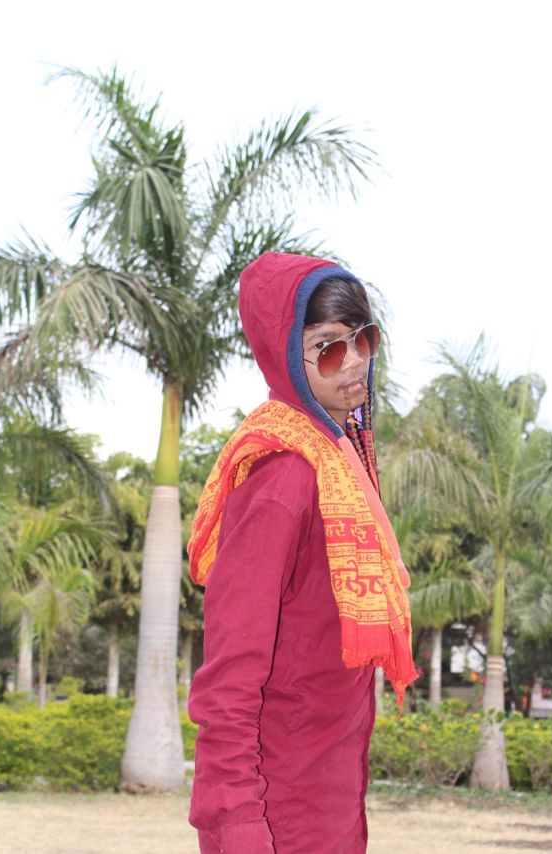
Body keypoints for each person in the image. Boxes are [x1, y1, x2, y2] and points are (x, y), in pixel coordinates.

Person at [187, 252, 417, 853]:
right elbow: (229, 678)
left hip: (327, 802)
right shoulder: (283, 477)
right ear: (284, 352)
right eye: (327, 348)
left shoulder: (341, 463)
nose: (355, 361)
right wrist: (238, 826)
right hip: (276, 816)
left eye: (363, 338)